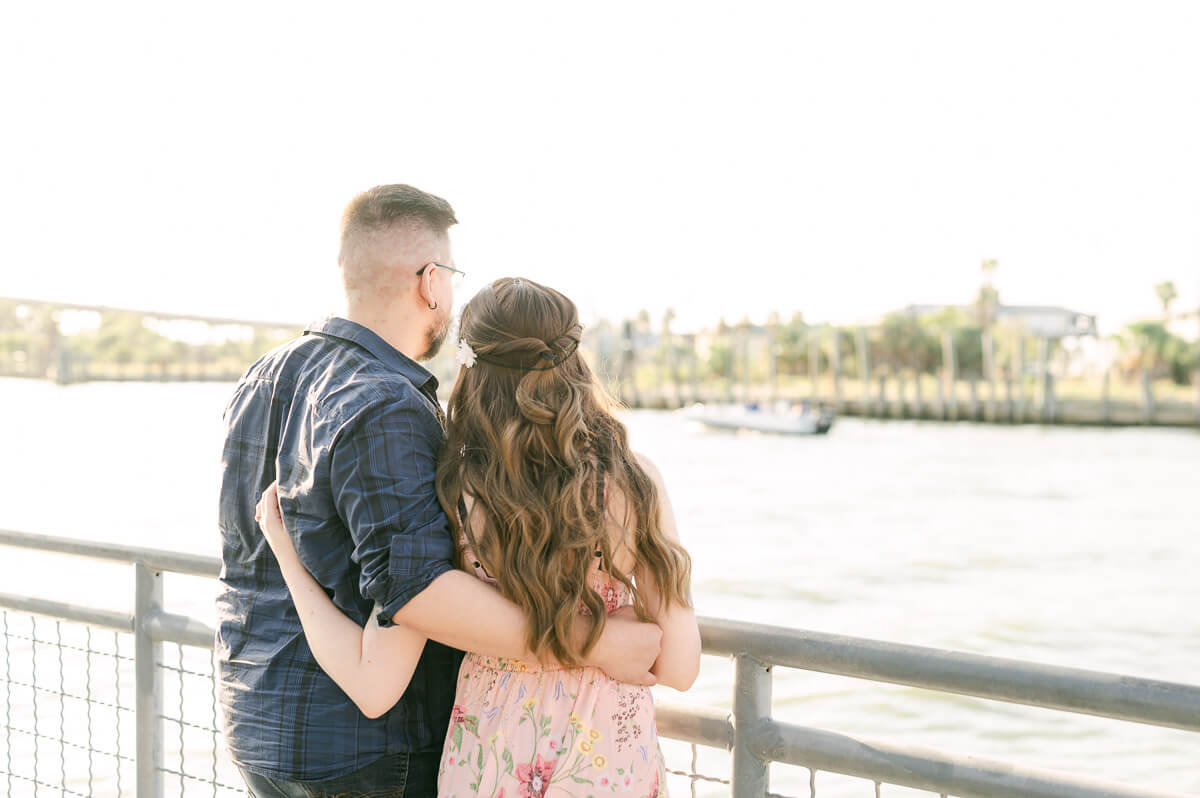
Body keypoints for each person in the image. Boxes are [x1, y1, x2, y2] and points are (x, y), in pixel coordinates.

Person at [217, 186, 663, 798]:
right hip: (359, 751)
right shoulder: (387, 404)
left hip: (254, 721)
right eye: (448, 276)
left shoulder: (262, 376)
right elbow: (420, 591)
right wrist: (599, 641)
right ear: (430, 282)